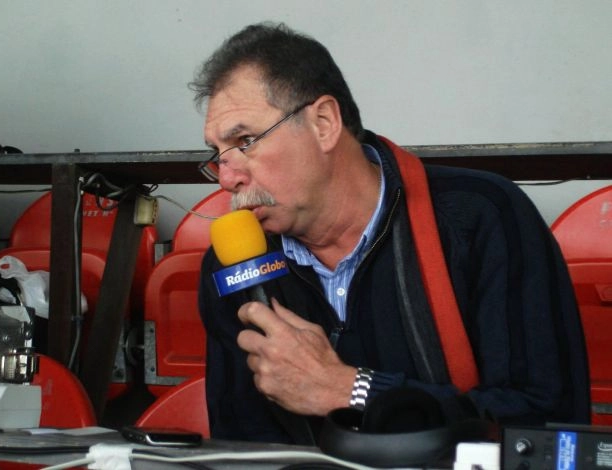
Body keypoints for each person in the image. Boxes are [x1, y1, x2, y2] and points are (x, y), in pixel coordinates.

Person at [192, 22, 590, 444]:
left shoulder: (482, 215)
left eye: (246, 140)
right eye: (217, 155)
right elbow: (240, 445)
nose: (227, 177)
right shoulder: (229, 268)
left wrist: (353, 391)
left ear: (324, 123)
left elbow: (548, 425)